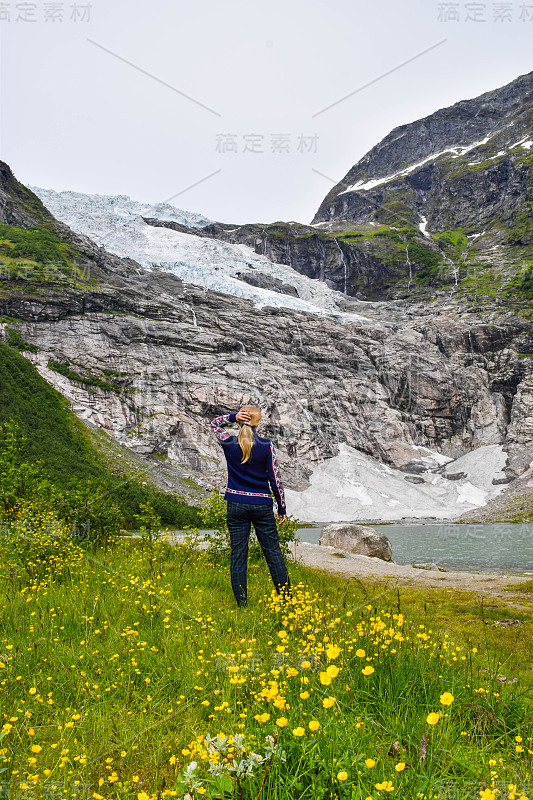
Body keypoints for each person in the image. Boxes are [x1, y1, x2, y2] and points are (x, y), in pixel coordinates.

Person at [210, 405, 291, 608]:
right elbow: (276, 479)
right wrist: (281, 507)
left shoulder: (228, 442)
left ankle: (242, 605)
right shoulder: (266, 446)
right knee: (273, 552)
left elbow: (213, 424)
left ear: (240, 420)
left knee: (238, 553)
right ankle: (287, 601)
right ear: (258, 422)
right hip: (262, 505)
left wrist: (232, 417)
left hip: (235, 503)